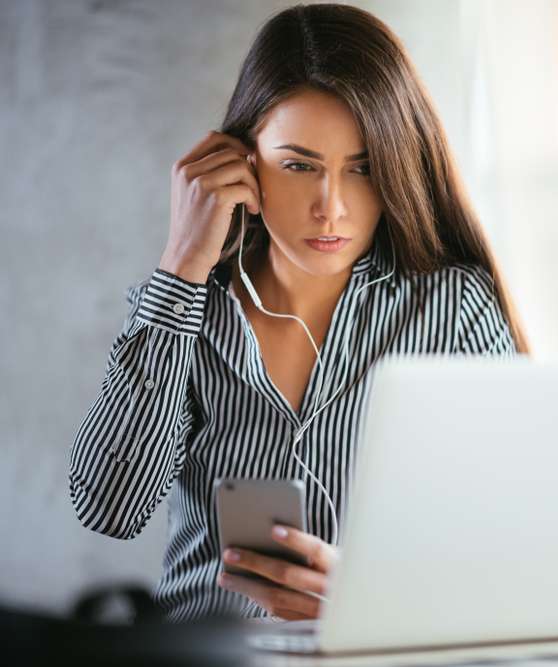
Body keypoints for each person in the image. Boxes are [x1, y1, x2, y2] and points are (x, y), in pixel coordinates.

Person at [69, 2, 529, 622]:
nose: (331, 208)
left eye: (362, 169)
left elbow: (511, 547)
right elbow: (109, 507)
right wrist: (181, 264)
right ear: (244, 160)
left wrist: (368, 597)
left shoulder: (452, 309)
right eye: (299, 165)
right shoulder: (180, 310)